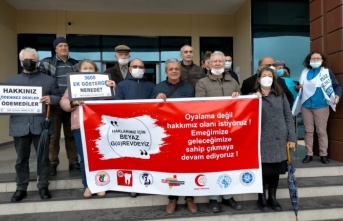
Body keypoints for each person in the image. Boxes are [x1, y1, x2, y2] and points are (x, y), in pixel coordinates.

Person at [9, 47, 61, 202]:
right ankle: (21, 188)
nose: (29, 62)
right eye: (26, 60)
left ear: (37, 62)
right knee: (21, 159)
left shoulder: (49, 81)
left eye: (32, 60)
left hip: (41, 126)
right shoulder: (11, 82)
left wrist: (52, 99)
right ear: (20, 62)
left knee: (44, 158)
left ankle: (43, 186)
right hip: (19, 126)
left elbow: (59, 98)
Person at [60, 59, 115, 198]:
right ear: (79, 71)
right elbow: (64, 103)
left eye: (91, 67)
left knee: (100, 156)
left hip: (99, 125)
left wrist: (113, 88)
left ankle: (100, 184)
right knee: (84, 158)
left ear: (95, 71)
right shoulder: (73, 86)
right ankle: (88, 185)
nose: (88, 69)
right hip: (80, 126)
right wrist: (73, 102)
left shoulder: (104, 84)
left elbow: (114, 101)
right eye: (85, 67)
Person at [195, 51, 242, 213]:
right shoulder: (201, 83)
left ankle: (228, 196)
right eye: (214, 61)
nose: (217, 64)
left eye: (220, 61)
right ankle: (213, 198)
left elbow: (242, 105)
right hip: (211, 131)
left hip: (231, 131)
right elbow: (199, 106)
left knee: (229, 164)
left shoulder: (233, 82)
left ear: (224, 63)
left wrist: (239, 97)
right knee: (213, 165)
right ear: (208, 64)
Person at [151, 58, 197, 215]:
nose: (174, 71)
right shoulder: (158, 88)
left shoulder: (190, 88)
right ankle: (173, 198)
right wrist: (156, 100)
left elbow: (197, 108)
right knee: (172, 166)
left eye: (176, 68)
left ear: (180, 70)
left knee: (189, 165)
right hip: (167, 135)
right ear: (166, 72)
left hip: (187, 132)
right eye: (171, 69)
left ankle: (190, 197)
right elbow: (150, 110)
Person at [253, 66, 296, 212]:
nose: (267, 78)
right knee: (264, 172)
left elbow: (288, 116)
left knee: (275, 172)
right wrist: (253, 100)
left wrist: (292, 137)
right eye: (264, 75)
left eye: (270, 76)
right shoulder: (253, 96)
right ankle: (262, 199)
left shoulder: (280, 94)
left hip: (279, 138)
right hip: (262, 140)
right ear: (259, 79)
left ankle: (273, 197)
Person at [39, 37, 80, 176]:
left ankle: (73, 162)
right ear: (55, 49)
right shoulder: (46, 63)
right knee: (54, 136)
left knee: (71, 135)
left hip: (71, 104)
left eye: (66, 45)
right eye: (60, 46)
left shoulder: (76, 64)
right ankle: (52, 163)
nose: (63, 48)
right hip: (54, 104)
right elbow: (42, 82)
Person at [115, 58, 155, 198]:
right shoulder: (122, 85)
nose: (138, 68)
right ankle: (132, 186)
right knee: (131, 158)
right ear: (130, 69)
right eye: (135, 66)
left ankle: (148, 182)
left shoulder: (151, 86)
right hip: (129, 129)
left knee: (146, 156)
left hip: (147, 127)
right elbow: (117, 107)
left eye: (141, 66)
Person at [293, 51, 342, 164]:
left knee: (321, 131)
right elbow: (298, 88)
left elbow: (337, 86)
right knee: (308, 131)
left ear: (322, 60)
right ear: (309, 60)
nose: (315, 60)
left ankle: (323, 155)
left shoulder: (326, 72)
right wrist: (297, 87)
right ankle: (308, 154)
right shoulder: (305, 72)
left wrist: (338, 96)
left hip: (321, 105)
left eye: (317, 58)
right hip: (306, 105)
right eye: (313, 58)